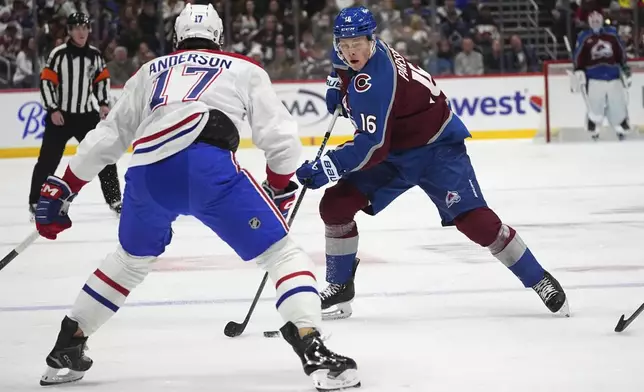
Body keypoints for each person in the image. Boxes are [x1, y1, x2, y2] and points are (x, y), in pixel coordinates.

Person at [34, 5, 360, 391]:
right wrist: (277, 183)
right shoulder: (243, 68)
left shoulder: (150, 71)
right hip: (207, 166)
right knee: (282, 254)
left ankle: (68, 345)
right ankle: (312, 347)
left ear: (175, 39)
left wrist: (65, 183)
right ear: (220, 39)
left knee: (129, 261)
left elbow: (111, 134)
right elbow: (281, 138)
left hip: (147, 171)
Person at [296, 6, 570, 321]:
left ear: (372, 39)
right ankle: (340, 286)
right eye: (344, 44)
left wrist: (327, 167)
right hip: (397, 148)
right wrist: (335, 83)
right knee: (335, 206)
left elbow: (372, 145)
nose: (349, 51)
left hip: (436, 150)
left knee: (478, 224)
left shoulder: (376, 81)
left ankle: (538, 278)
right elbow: (339, 64)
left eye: (356, 43)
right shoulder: (352, 50)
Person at [31, 12, 122, 220]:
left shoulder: (95, 55)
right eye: (77, 27)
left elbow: (101, 81)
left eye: (85, 27)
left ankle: (115, 200)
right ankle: (35, 201)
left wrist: (103, 104)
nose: (81, 31)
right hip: (60, 116)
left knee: (103, 155)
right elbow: (46, 82)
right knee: (48, 160)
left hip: (86, 116)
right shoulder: (58, 54)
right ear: (70, 31)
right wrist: (53, 109)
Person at [572, 11, 630, 141]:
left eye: (598, 20)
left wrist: (625, 67)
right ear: (589, 22)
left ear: (602, 20)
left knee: (618, 103)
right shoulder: (584, 36)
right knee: (595, 105)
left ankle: (620, 124)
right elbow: (578, 55)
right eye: (593, 21)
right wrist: (578, 69)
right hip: (594, 77)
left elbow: (621, 52)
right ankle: (594, 127)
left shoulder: (612, 34)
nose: (595, 22)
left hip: (613, 75)